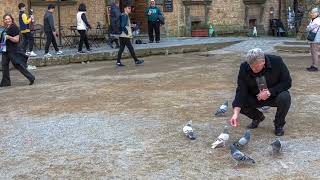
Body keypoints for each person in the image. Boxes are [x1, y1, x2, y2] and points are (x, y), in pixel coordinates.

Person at [229, 48, 292, 136]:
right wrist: (235, 114)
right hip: (255, 97)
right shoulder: (244, 67)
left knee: (285, 97)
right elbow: (241, 90)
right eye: (251, 66)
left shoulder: (277, 62)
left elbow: (287, 82)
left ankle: (279, 125)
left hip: (274, 95)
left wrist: (269, 92)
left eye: (256, 66)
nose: (254, 69)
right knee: (239, 103)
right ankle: (257, 117)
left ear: (263, 61)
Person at [0, 14, 35, 87]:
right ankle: (6, 82)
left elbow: (16, 40)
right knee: (4, 66)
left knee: (18, 65)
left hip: (13, 50)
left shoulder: (14, 27)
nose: (7, 20)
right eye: (6, 19)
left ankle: (31, 77)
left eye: (8, 19)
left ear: (11, 19)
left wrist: (8, 37)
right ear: (4, 20)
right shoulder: (6, 28)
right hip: (5, 50)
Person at [306, 8, 320, 72]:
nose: (312, 14)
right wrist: (308, 27)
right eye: (311, 12)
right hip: (313, 38)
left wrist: (308, 27)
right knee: (312, 52)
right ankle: (313, 65)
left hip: (315, 38)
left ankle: (315, 66)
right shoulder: (314, 19)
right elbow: (309, 27)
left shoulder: (318, 20)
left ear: (317, 13)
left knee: (314, 52)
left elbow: (310, 27)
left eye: (313, 12)